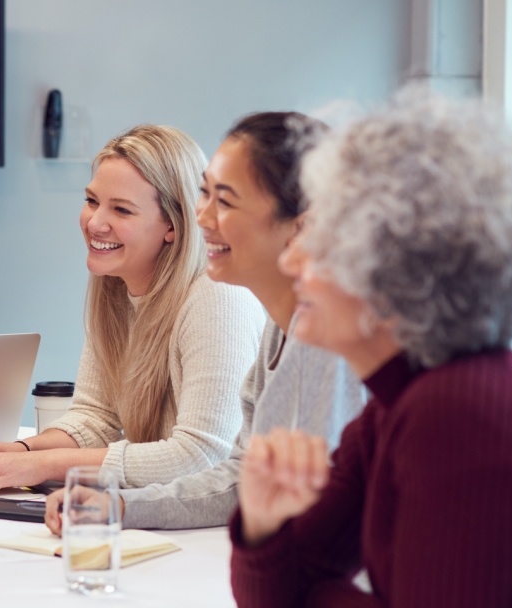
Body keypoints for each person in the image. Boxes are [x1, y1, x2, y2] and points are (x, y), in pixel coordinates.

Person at [231, 91, 512, 608]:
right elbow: (270, 602)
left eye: (319, 242)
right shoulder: (398, 401)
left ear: (397, 275)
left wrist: (321, 598)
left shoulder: (457, 408)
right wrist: (260, 523)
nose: (291, 259)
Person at [42, 113, 367, 531]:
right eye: (205, 195)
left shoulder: (331, 344)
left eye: (226, 201)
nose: (202, 217)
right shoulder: (280, 330)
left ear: (300, 226)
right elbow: (240, 479)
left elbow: (327, 522)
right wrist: (120, 507)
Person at [0, 125, 266, 498]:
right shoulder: (115, 285)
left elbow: (203, 456)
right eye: (92, 200)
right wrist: (19, 452)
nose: (95, 222)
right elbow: (94, 419)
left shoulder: (218, 297)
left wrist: (41, 464)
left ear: (173, 227)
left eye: (122, 209)